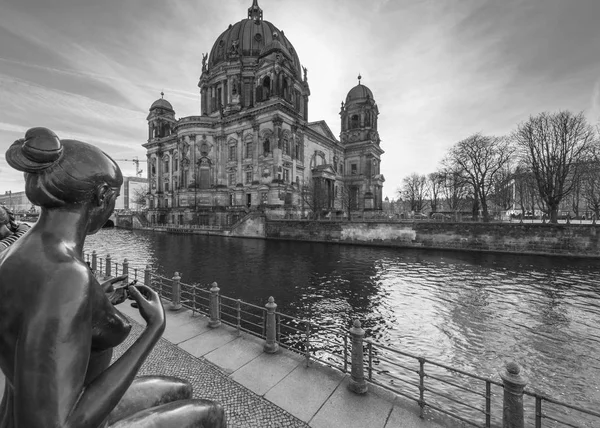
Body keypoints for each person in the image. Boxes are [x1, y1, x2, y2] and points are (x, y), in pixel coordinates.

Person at [0, 127, 226, 428]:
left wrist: (95, 297)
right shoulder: (67, 275)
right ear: (103, 196)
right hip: (76, 417)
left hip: (19, 412)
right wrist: (153, 329)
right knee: (212, 413)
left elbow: (36, 335)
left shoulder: (17, 251)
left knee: (180, 389)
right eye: (113, 198)